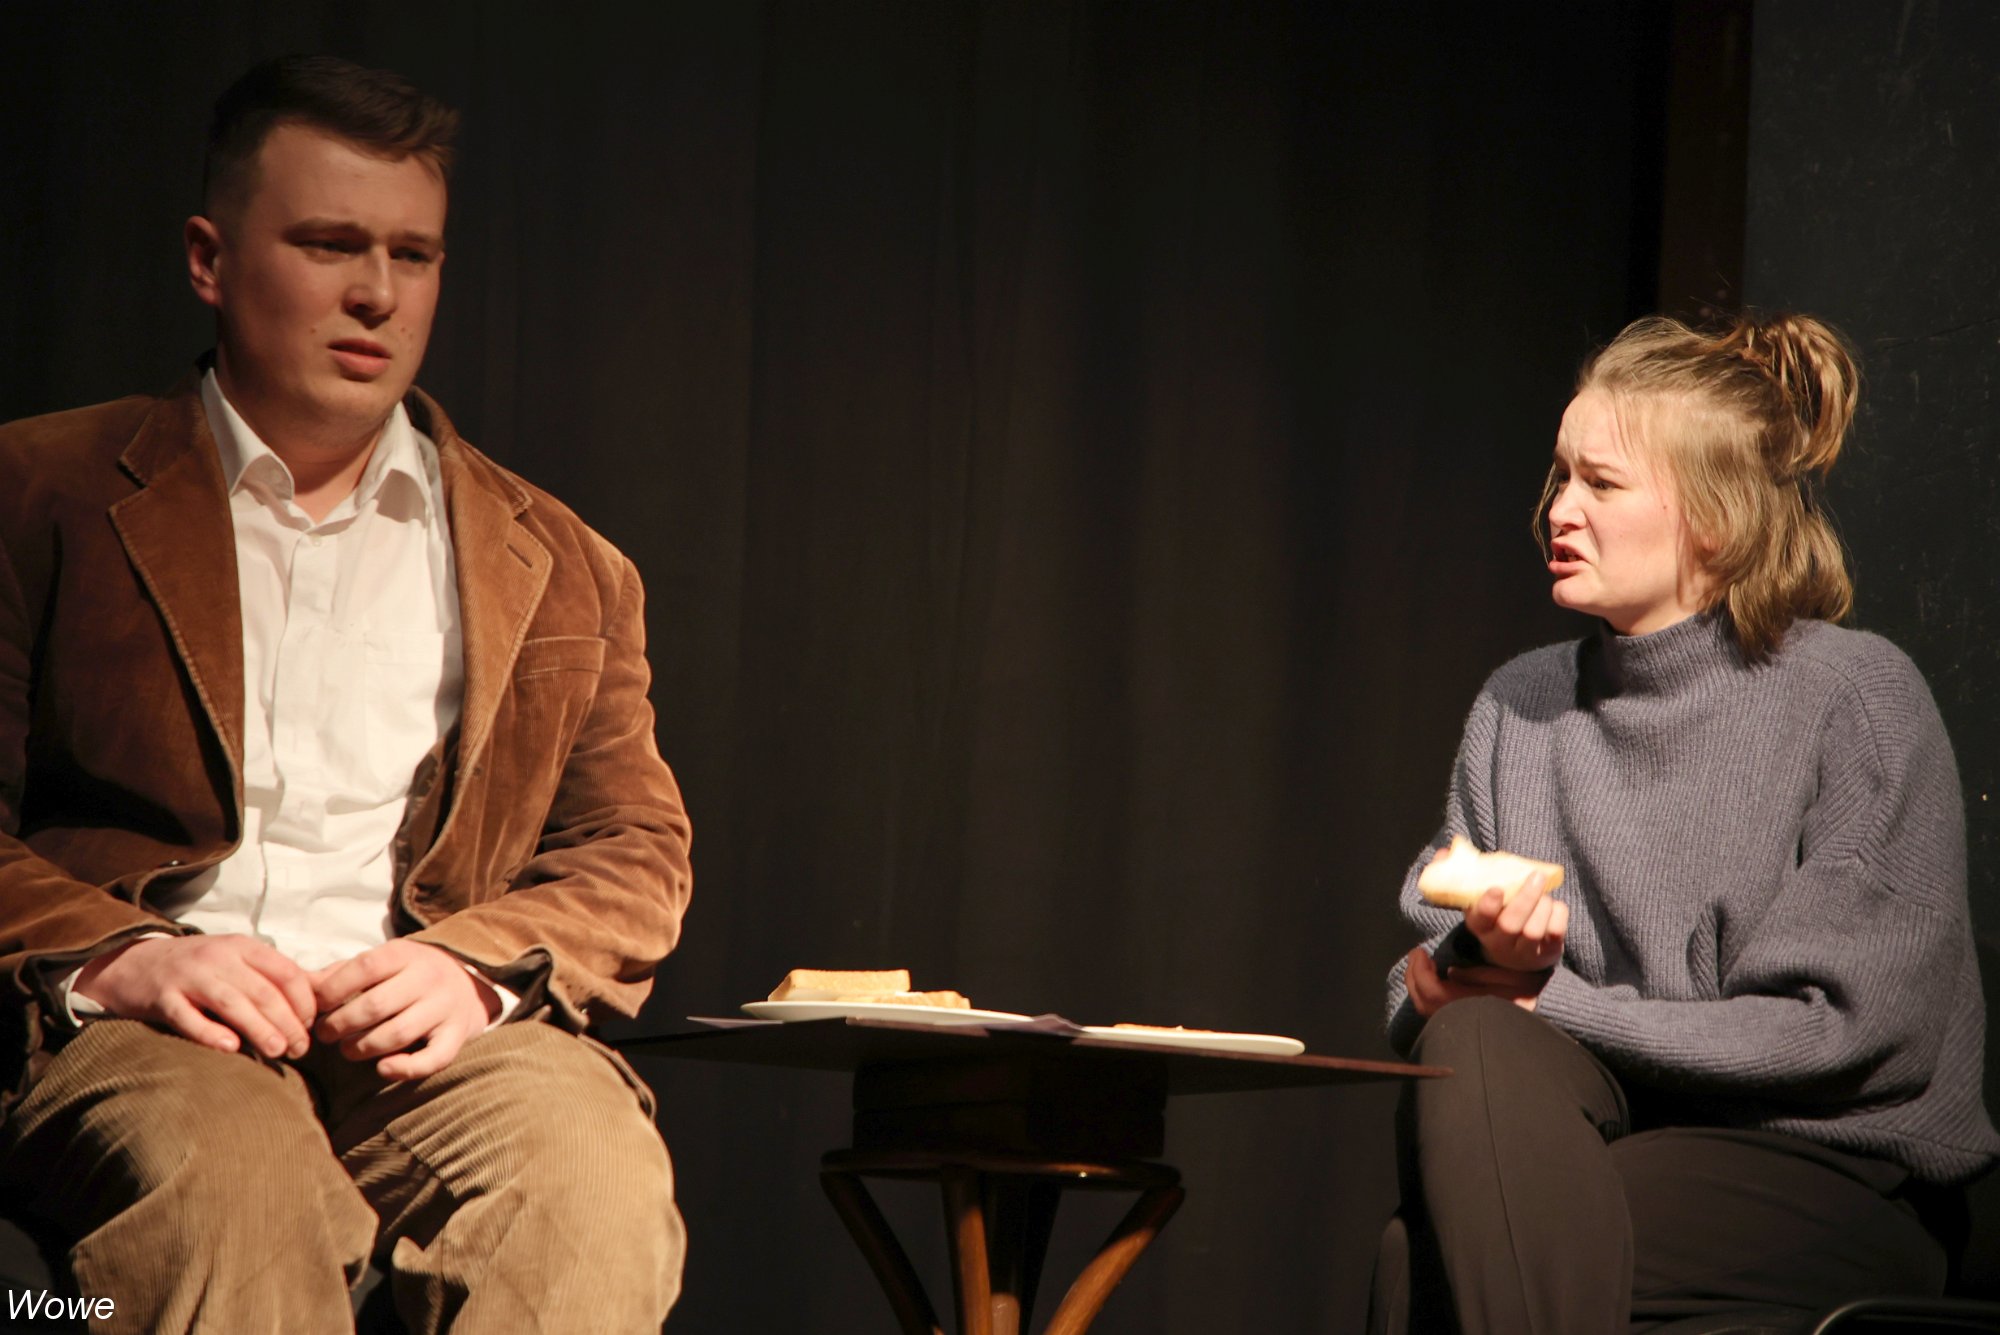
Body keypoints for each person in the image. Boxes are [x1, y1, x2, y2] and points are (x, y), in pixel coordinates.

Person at [0, 55, 691, 1334]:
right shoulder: (39, 492)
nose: (376, 292)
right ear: (209, 260)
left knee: (591, 1182)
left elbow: (632, 849)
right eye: (328, 244)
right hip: (152, 1035)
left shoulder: (562, 561)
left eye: (411, 255)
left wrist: (472, 971)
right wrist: (127, 959)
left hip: (425, 1040)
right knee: (232, 1182)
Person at [1367, 312, 1999, 1333]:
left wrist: (1551, 1001)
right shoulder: (1521, 705)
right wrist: (1472, 967)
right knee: (1476, 1042)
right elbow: (1431, 977)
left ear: (1713, 516)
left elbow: (1842, 1030)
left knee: (1426, 1263)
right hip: (1607, 1131)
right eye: (1559, 476)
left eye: (1601, 483)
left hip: (1822, 1164)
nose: (1559, 510)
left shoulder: (1854, 698)